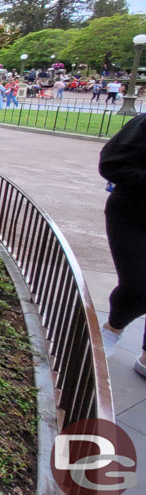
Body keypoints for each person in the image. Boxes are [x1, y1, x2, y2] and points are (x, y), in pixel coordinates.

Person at [99, 114, 146, 375]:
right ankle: (112, 328)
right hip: (133, 213)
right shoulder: (143, 124)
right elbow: (111, 163)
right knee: (138, 284)